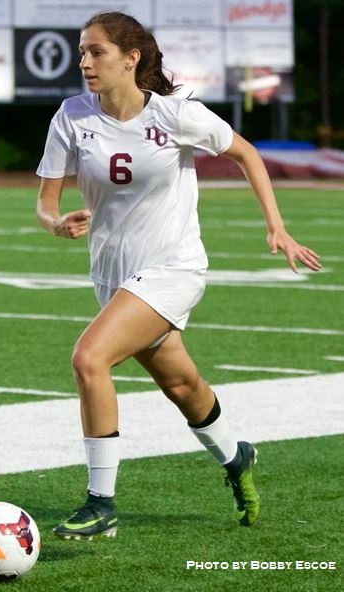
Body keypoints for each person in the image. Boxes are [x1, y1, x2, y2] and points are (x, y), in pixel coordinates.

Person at [35, 12, 321, 539]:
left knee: (89, 358)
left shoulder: (174, 114)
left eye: (96, 52)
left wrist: (277, 229)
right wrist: (57, 224)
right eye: (81, 52)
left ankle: (101, 502)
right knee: (180, 383)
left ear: (130, 58)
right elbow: (46, 202)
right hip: (113, 275)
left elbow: (247, 154)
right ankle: (238, 457)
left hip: (174, 267)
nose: (85, 63)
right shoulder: (71, 117)